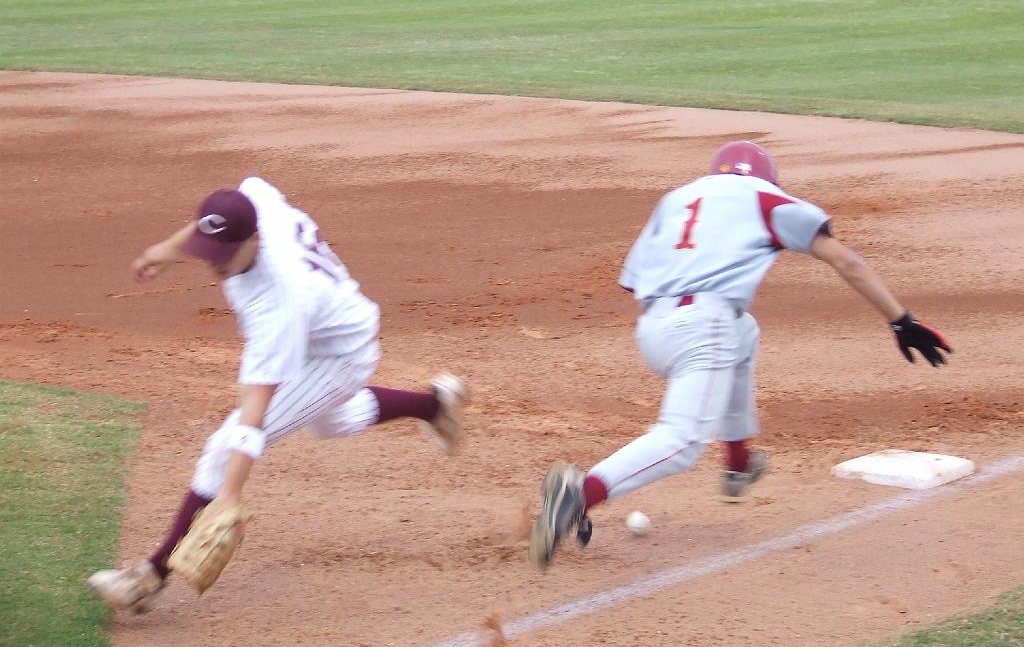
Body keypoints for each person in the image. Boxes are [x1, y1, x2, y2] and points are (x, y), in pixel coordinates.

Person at [528, 141, 951, 569]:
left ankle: (738, 464)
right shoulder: (765, 197)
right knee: (681, 441)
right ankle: (580, 493)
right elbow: (846, 261)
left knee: (743, 331)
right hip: (702, 329)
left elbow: (634, 281)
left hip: (653, 330)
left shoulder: (676, 199)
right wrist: (901, 321)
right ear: (766, 178)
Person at [87, 176, 467, 613]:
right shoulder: (254, 202)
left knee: (222, 448)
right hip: (333, 319)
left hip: (337, 354)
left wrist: (229, 494)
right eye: (210, 252)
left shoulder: (276, 304)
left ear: (254, 238)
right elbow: (211, 220)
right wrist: (165, 252)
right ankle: (437, 404)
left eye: (225, 255)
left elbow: (255, 410)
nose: (215, 264)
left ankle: (149, 577)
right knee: (332, 422)